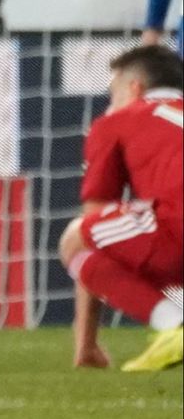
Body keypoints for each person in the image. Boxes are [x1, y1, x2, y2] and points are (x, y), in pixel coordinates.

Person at [58, 44, 183, 372]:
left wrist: (85, 344)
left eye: (112, 93)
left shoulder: (115, 123)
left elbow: (92, 227)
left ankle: (174, 325)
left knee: (76, 236)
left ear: (135, 89)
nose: (110, 103)